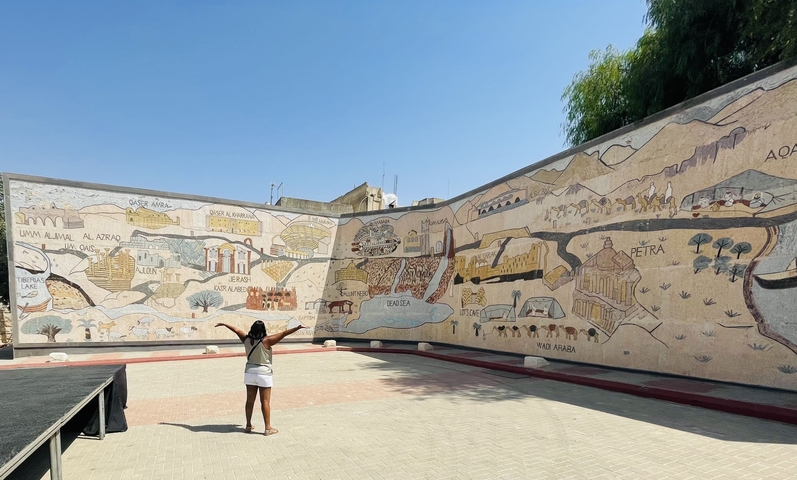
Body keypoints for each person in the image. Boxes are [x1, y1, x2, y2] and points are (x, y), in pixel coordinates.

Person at [215, 320, 307, 435]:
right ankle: (267, 428)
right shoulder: (267, 341)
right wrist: (298, 327)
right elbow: (283, 334)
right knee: (265, 401)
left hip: (249, 372)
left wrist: (225, 324)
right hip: (264, 373)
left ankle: (248, 425)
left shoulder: (246, 339)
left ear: (252, 328)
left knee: (249, 401)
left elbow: (237, 330)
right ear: (263, 330)